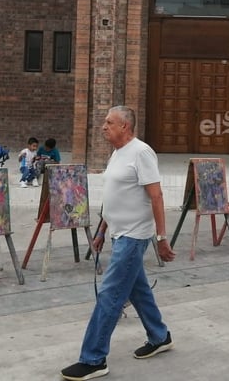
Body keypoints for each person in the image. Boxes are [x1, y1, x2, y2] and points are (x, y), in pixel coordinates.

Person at [61, 106, 176, 381]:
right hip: (118, 233)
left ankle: (93, 359)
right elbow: (113, 197)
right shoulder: (117, 154)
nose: (104, 126)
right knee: (138, 291)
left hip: (134, 237)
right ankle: (160, 336)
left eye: (109, 122)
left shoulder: (141, 152)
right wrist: (101, 230)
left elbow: (156, 196)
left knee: (110, 296)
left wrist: (161, 238)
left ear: (125, 126)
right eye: (104, 122)